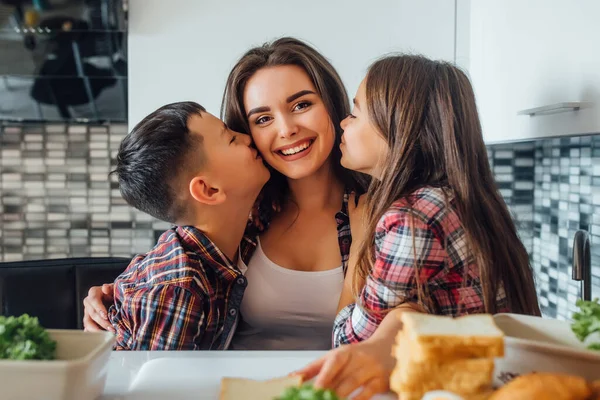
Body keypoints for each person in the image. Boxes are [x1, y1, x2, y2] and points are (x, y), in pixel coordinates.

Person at [83, 37, 368, 350]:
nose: (286, 129)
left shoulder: (382, 213)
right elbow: (173, 268)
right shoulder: (242, 213)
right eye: (263, 119)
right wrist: (114, 296)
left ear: (332, 103)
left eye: (301, 105)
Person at [297, 54, 541, 399]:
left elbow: (349, 341)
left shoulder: (413, 218)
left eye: (355, 112)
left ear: (397, 126)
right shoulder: (458, 199)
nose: (343, 124)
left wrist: (358, 249)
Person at [108, 101, 269, 350]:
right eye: (230, 139)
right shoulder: (177, 291)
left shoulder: (235, 237)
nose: (247, 137)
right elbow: (161, 386)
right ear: (208, 189)